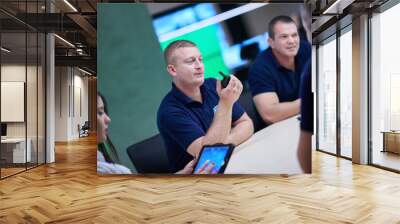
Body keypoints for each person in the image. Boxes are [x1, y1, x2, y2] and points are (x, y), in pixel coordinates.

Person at [157, 40, 254, 173]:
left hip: (233, 162)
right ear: (173, 70)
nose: (200, 66)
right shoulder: (169, 112)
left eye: (200, 59)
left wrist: (226, 142)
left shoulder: (213, 85)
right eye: (191, 61)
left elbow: (247, 123)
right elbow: (209, 154)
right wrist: (225, 104)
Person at [97, 92, 214, 174]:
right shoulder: (169, 112)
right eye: (100, 112)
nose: (108, 119)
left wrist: (181, 175)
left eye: (200, 60)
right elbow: (209, 150)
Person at [248, 15, 311, 127]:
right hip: (276, 130)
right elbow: (270, 115)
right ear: (271, 42)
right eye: (284, 37)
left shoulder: (306, 49)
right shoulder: (259, 68)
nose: (291, 41)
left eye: (294, 35)